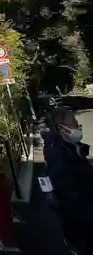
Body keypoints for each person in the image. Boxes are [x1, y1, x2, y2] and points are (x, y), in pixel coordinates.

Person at [43, 107, 93, 253]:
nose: (78, 126)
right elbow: (69, 196)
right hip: (83, 227)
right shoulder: (60, 155)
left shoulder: (68, 149)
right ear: (62, 129)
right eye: (73, 123)